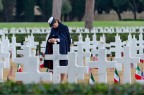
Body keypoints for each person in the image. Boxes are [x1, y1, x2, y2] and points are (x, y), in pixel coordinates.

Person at [44, 17, 71, 82]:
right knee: (55, 65)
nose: (53, 27)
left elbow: (65, 39)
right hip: (54, 50)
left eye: (53, 25)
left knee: (63, 65)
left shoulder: (64, 27)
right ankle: (56, 80)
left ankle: (61, 81)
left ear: (56, 21)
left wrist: (56, 40)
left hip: (63, 49)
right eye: (52, 26)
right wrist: (50, 40)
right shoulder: (53, 29)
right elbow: (50, 36)